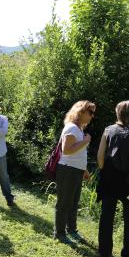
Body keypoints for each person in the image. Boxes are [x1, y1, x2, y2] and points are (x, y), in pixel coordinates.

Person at [96, 100, 129, 257]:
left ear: (118, 114)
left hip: (110, 179)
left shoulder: (108, 130)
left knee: (106, 215)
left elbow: (100, 156)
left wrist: (104, 170)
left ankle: (104, 252)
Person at [54, 100, 95, 244]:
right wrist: (86, 140)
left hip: (76, 170)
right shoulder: (71, 128)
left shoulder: (79, 129)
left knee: (73, 202)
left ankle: (72, 230)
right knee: (64, 203)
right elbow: (67, 150)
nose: (92, 116)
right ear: (80, 112)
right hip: (67, 170)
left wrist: (84, 170)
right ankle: (60, 233)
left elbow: (78, 153)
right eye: (90, 112)